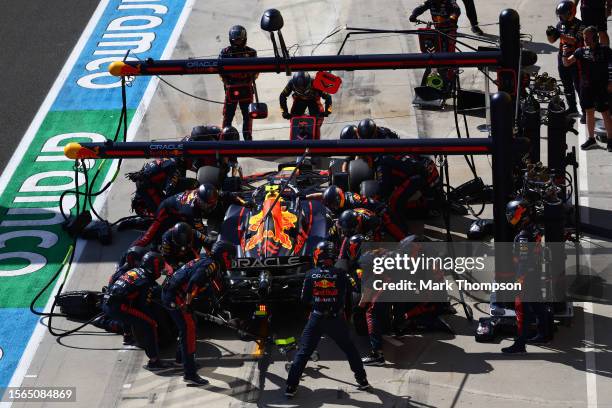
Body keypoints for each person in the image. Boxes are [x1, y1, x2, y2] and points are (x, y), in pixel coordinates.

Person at [285, 241, 371, 398]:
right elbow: (355, 291)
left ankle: (290, 386)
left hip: (316, 318)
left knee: (303, 352)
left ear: (319, 255)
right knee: (350, 350)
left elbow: (304, 300)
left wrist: (318, 300)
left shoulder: (310, 274)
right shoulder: (342, 274)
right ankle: (362, 380)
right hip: (336, 319)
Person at [161, 241, 236, 385]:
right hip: (175, 297)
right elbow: (193, 283)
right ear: (224, 255)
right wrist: (188, 304)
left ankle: (180, 359)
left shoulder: (207, 262)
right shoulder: (211, 266)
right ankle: (190, 374)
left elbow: (206, 286)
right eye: (230, 257)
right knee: (188, 331)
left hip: (172, 293)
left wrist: (218, 307)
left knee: (190, 326)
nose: (231, 261)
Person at [501, 200, 553, 354]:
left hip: (525, 276)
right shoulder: (534, 228)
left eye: (511, 214)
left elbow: (523, 259)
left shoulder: (523, 236)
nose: (509, 217)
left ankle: (520, 344)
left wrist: (520, 279)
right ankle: (544, 334)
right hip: (535, 272)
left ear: (520, 214)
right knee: (537, 305)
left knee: (522, 310)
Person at [102, 252, 168, 371]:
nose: (161, 270)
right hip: (118, 308)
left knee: (131, 307)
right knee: (150, 323)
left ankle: (127, 336)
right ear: (154, 267)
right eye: (160, 268)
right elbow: (144, 306)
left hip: (107, 301)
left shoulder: (135, 270)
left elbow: (114, 280)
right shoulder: (146, 281)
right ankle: (154, 361)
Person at [563, 26, 612, 151]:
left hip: (601, 87)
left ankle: (611, 140)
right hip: (586, 87)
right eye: (584, 38)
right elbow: (567, 63)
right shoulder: (581, 51)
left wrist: (611, 82)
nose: (585, 40)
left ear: (595, 37)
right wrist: (565, 53)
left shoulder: (605, 50)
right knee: (589, 112)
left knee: (605, 113)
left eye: (587, 37)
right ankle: (591, 139)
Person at [131, 184, 220, 248]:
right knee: (149, 238)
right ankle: (131, 251)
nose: (210, 206)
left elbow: (220, 195)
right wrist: (211, 241)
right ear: (200, 201)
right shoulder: (191, 211)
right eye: (207, 204)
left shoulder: (201, 192)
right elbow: (201, 232)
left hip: (178, 211)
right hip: (164, 213)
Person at [546, 1, 585, 117]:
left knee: (579, 86)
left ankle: (585, 112)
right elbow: (552, 41)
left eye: (563, 14)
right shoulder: (560, 25)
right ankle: (572, 108)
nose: (561, 17)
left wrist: (560, 35)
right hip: (562, 58)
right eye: (560, 15)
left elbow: (575, 41)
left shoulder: (581, 25)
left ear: (570, 13)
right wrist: (550, 34)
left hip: (575, 59)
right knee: (566, 85)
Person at [219, 25, 257, 141]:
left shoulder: (251, 52)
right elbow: (220, 70)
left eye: (239, 39)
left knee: (248, 115)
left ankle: (247, 138)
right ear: (231, 39)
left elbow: (256, 71)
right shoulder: (225, 52)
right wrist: (227, 81)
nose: (237, 41)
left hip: (246, 88)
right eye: (235, 39)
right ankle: (225, 139)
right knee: (227, 116)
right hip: (231, 89)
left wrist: (245, 77)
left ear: (244, 38)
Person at [126, 158, 199, 218]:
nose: (191, 167)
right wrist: (181, 202)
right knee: (161, 212)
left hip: (151, 181)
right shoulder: (173, 167)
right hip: (146, 185)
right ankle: (144, 211)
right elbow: (170, 192)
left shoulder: (170, 160)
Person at [279, 71, 332, 139]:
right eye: (299, 88)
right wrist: (284, 112)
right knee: (293, 119)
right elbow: (282, 95)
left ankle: (316, 141)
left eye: (303, 88)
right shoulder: (291, 83)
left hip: (313, 100)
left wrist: (328, 111)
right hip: (299, 100)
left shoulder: (316, 83)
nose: (301, 89)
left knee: (318, 120)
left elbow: (328, 97)